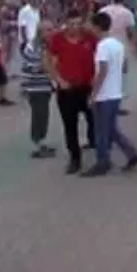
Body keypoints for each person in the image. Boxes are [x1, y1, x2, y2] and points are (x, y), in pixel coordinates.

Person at [83, 11, 137, 176]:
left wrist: (94, 94)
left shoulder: (102, 46)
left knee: (102, 131)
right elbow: (124, 67)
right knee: (111, 129)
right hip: (115, 92)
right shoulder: (117, 44)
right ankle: (132, 153)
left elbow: (102, 70)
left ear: (97, 27)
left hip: (105, 94)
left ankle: (103, 161)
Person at [46, 10, 98, 174]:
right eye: (71, 24)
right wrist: (59, 81)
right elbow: (50, 63)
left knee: (93, 119)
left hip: (87, 87)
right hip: (67, 89)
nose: (75, 27)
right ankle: (75, 158)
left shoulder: (90, 38)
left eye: (78, 23)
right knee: (70, 125)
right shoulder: (57, 39)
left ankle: (95, 143)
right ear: (65, 23)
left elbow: (99, 59)